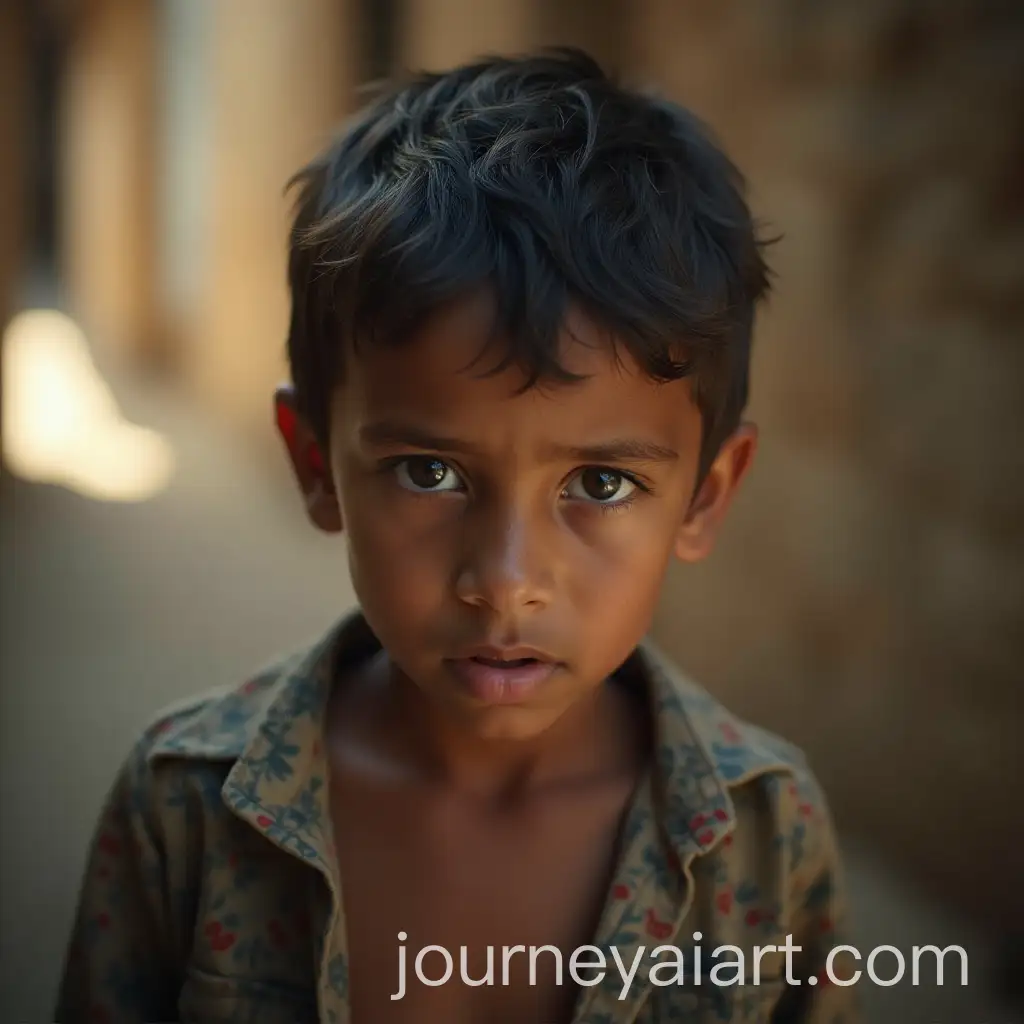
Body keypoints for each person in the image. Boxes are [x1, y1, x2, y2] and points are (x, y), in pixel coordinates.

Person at [56, 48, 859, 1023]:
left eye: (599, 483)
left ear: (703, 497)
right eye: (429, 473)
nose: (505, 581)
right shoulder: (183, 812)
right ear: (314, 463)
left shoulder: (763, 835)